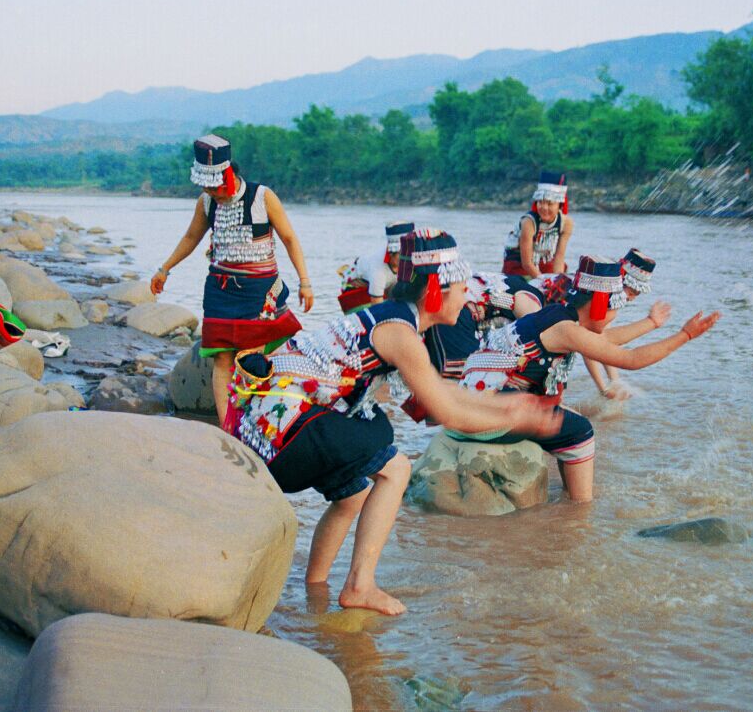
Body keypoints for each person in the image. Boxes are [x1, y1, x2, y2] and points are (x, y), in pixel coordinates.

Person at [225, 229, 561, 615]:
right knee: (395, 467)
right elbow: (446, 413)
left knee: (353, 494)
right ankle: (359, 586)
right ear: (437, 292)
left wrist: (508, 408)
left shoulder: (398, 320)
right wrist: (520, 420)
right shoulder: (399, 332)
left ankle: (315, 588)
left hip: (265, 419)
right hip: (277, 430)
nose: (468, 297)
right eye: (463, 288)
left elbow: (443, 391)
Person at [453, 255, 720, 503]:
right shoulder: (567, 329)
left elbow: (607, 342)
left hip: (474, 405)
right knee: (581, 430)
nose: (614, 316)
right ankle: (580, 507)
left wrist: (651, 323)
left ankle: (567, 491)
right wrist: (685, 335)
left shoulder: (559, 316)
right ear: (600, 304)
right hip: (485, 414)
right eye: (614, 308)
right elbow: (632, 359)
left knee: (563, 416)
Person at [150, 134, 313, 424]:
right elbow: (191, 237)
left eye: (215, 185)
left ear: (229, 173)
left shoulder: (262, 197)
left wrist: (305, 282)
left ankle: (258, 419)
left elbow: (289, 238)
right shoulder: (206, 202)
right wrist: (165, 269)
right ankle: (228, 427)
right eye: (206, 187)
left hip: (259, 292)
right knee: (223, 359)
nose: (212, 191)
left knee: (253, 357)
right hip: (220, 291)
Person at [584, 248, 656, 400]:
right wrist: (603, 389)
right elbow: (587, 347)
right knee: (588, 340)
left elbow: (604, 342)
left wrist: (615, 382)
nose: (632, 298)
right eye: (632, 292)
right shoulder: (602, 292)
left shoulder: (611, 291)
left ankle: (614, 382)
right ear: (623, 281)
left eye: (638, 294)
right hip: (548, 302)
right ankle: (604, 390)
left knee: (600, 337)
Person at [502, 170, 574, 278]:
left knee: (561, 276)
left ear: (560, 205)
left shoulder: (567, 223)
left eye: (550, 203)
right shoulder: (529, 223)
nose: (544, 207)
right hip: (519, 265)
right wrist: (544, 283)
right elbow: (527, 263)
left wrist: (556, 281)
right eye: (540, 202)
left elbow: (559, 258)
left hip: (543, 262)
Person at [336, 221, 414, 314]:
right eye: (402, 254)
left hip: (383, 284)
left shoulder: (409, 260)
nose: (406, 259)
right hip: (355, 287)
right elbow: (377, 309)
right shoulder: (379, 271)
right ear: (391, 253)